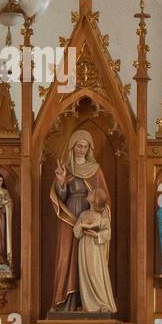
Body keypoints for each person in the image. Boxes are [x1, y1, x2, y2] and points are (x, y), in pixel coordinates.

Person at [50, 130, 110, 311]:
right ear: (72, 146)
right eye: (79, 146)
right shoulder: (66, 168)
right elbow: (60, 196)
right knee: (66, 258)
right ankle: (64, 302)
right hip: (68, 218)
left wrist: (100, 220)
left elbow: (103, 197)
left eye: (85, 146)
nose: (82, 150)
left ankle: (89, 302)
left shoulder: (95, 169)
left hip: (88, 218)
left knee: (89, 260)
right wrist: (61, 183)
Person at [73, 188, 117, 313]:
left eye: (92, 193)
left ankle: (102, 304)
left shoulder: (102, 217)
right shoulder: (83, 214)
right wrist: (81, 226)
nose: (89, 193)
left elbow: (107, 233)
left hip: (95, 248)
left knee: (95, 274)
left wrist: (96, 235)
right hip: (83, 248)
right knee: (85, 274)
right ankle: (89, 305)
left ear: (95, 200)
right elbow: (76, 233)